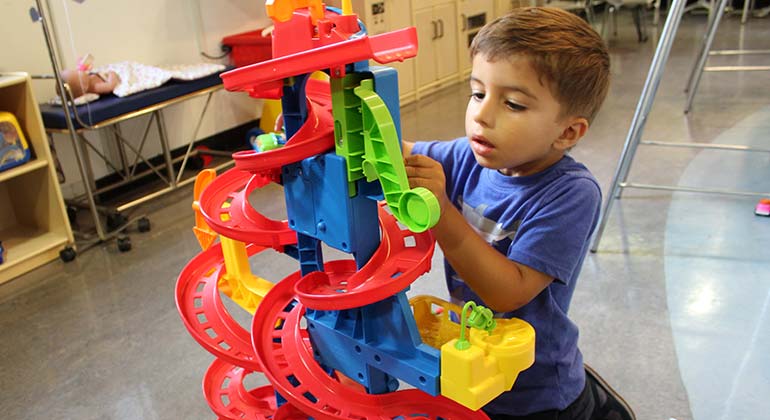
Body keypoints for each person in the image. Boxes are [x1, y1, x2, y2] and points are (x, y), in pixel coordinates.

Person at [403, 7, 634, 420]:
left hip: (534, 390)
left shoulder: (570, 194)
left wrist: (440, 214)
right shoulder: (466, 155)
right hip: (470, 367)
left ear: (567, 132)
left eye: (512, 103)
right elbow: (400, 155)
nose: (482, 115)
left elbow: (508, 292)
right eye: (477, 93)